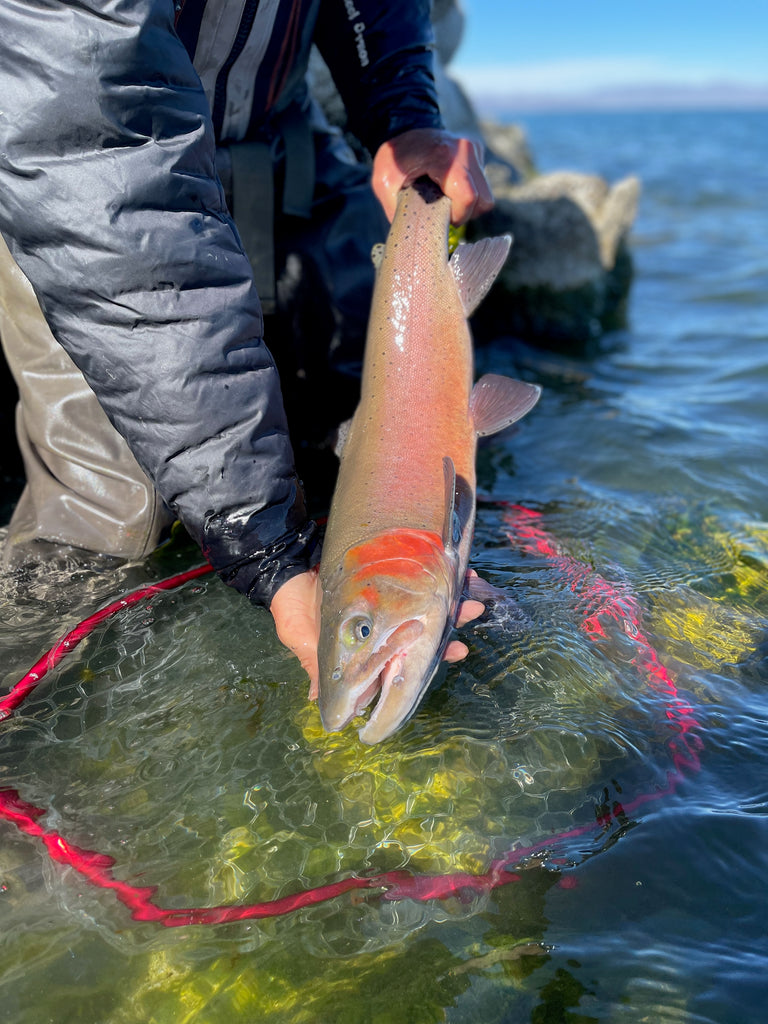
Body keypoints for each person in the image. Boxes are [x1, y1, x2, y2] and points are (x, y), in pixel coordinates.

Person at [0, 0, 491, 692]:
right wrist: (265, 551)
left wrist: (403, 116)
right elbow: (99, 170)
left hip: (281, 152)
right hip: (82, 198)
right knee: (110, 526)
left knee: (347, 419)